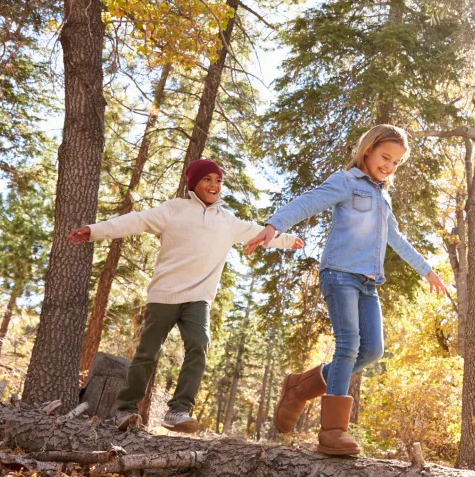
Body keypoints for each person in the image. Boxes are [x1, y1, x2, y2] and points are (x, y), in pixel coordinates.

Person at [245, 124, 446, 455]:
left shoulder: (383, 197)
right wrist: (273, 225)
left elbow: (395, 238)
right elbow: (308, 202)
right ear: (367, 150)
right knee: (349, 343)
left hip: (368, 281)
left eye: (397, 162)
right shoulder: (346, 181)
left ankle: (300, 387)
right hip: (339, 273)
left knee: (372, 350)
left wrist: (427, 270)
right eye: (385, 157)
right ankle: (333, 431)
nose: (389, 166)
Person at [67, 158, 303, 433]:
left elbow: (258, 232)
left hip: (198, 298)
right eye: (207, 179)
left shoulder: (227, 221)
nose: (214, 185)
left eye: (218, 181)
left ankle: (178, 410)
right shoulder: (174, 210)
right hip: (164, 294)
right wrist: (93, 231)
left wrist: (286, 240)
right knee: (147, 353)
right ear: (194, 183)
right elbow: (135, 221)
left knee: (199, 344)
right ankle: (126, 410)